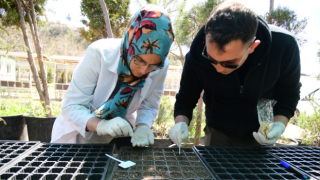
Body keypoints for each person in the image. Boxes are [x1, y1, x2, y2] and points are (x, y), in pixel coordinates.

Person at [169, 1, 301, 147]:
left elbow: (289, 94)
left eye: (229, 62)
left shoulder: (284, 46)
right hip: (217, 130)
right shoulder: (196, 53)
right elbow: (186, 98)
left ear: (252, 46)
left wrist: (278, 125)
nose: (218, 69)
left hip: (260, 132)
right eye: (211, 59)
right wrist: (180, 124)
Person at [51, 5, 174, 148]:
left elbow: (149, 105)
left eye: (152, 65)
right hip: (76, 134)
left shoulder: (161, 66)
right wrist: (101, 125)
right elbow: (72, 106)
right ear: (131, 44)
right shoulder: (99, 54)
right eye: (139, 60)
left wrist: (143, 126)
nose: (144, 70)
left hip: (114, 138)